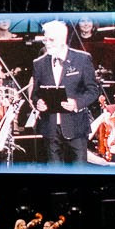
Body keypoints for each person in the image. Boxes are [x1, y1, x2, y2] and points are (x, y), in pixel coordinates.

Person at [26, 20, 100, 166]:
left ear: (62, 39)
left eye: (51, 39)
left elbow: (93, 90)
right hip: (50, 128)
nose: (47, 43)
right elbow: (35, 94)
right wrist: (38, 103)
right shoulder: (39, 63)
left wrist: (77, 103)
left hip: (76, 126)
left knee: (79, 170)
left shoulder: (82, 59)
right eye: (45, 39)